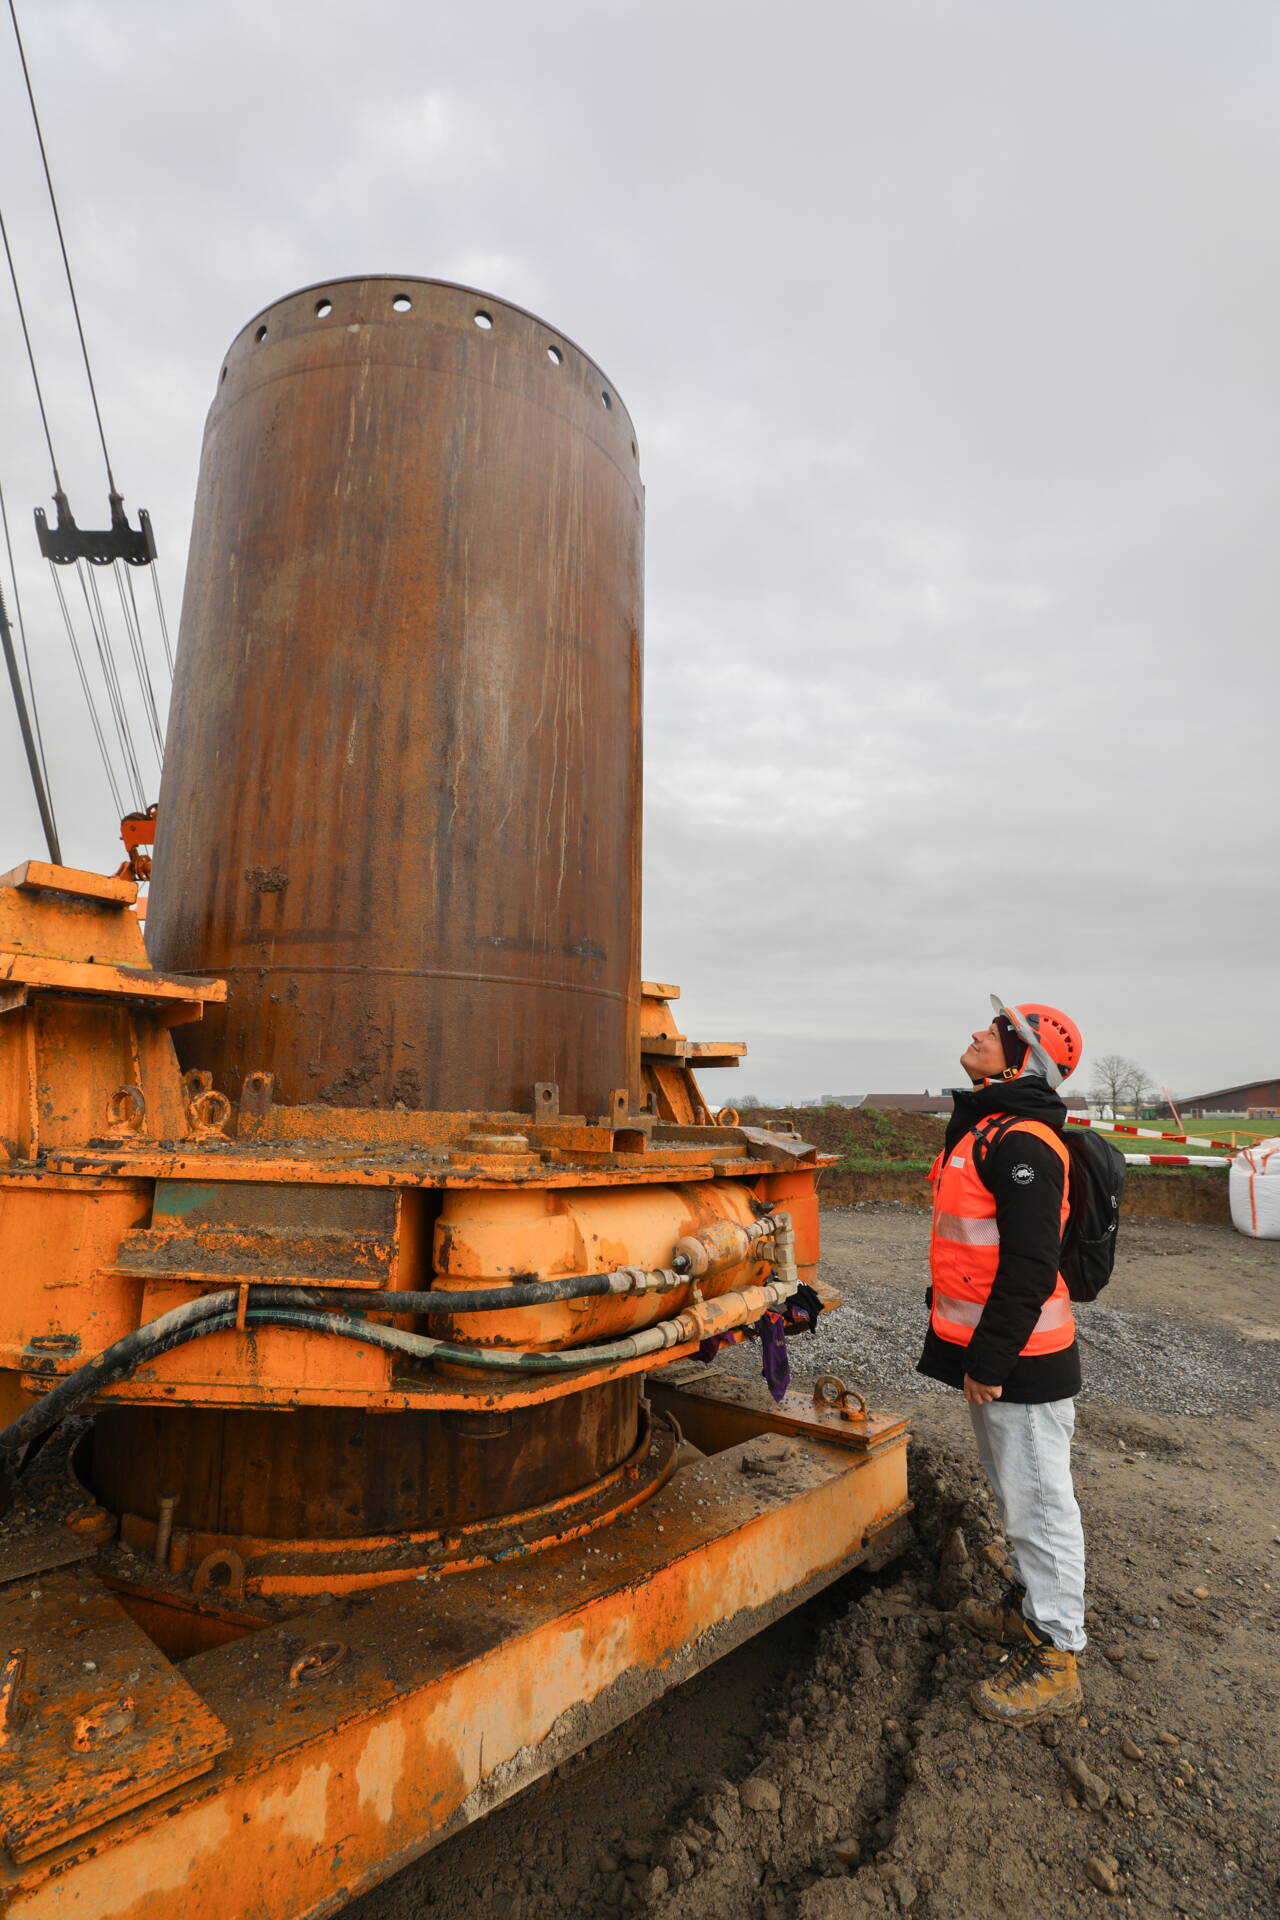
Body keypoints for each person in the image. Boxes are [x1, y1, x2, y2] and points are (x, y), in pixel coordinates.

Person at [918, 994, 1087, 1725]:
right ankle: (1029, 1611)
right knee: (1017, 1496)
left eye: (996, 1032)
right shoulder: (989, 1126)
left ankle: (1057, 1654)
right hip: (995, 1356)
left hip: (1022, 1361)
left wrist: (988, 1363)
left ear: (1025, 1060)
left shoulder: (1024, 1143)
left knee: (1040, 1506)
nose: (978, 1034)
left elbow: (1029, 1266)